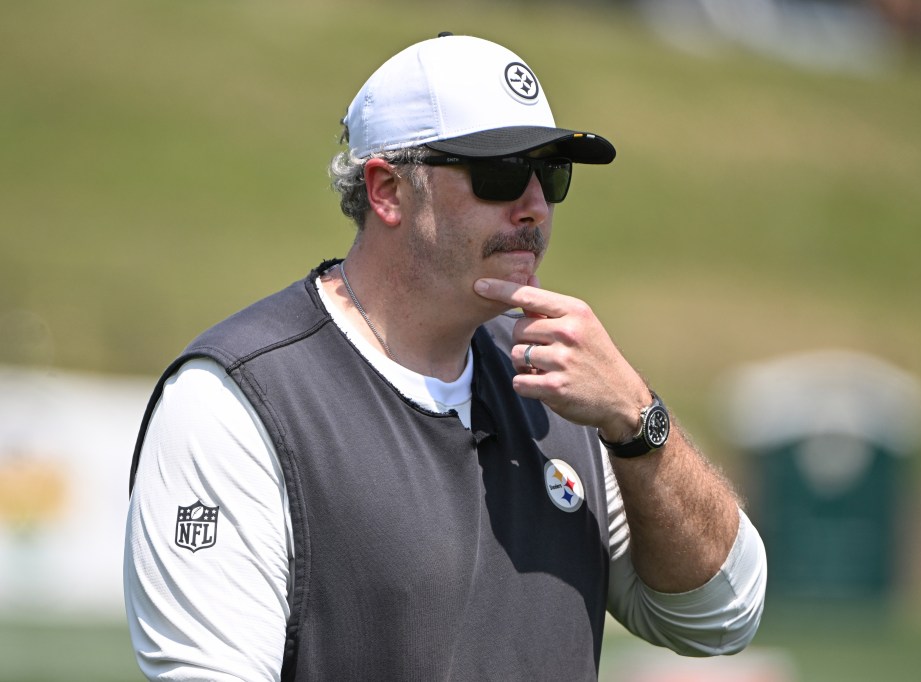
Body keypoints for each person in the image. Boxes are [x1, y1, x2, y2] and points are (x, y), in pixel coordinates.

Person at [124, 33, 766, 681]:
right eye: (501, 173)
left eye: (550, 174)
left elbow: (721, 616)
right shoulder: (236, 399)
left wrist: (637, 420)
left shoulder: (571, 386)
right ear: (388, 191)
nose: (535, 206)